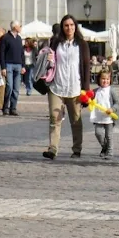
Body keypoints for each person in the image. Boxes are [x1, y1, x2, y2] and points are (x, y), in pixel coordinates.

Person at [42, 14, 91, 160]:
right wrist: (49, 60)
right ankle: (53, 149)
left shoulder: (81, 44)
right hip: (57, 85)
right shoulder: (56, 43)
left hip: (75, 88)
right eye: (66, 25)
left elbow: (86, 67)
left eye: (71, 25)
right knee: (54, 117)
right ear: (62, 28)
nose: (69, 28)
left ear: (75, 27)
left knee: (76, 120)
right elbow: (49, 62)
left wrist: (86, 89)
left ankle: (77, 149)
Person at [90, 70, 119, 159]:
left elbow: (117, 103)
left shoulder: (111, 90)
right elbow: (89, 100)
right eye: (103, 78)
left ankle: (109, 152)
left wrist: (112, 109)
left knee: (109, 136)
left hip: (109, 118)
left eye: (107, 79)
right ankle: (105, 147)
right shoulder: (95, 91)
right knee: (98, 133)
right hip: (98, 116)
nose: (105, 81)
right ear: (99, 79)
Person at [0, 20, 25, 116]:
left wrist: (23, 66)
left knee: (16, 89)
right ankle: (5, 107)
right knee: (9, 87)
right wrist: (3, 67)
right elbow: (1, 53)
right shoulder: (5, 38)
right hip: (8, 65)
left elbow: (22, 53)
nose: (21, 28)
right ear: (15, 27)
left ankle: (13, 108)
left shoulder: (19, 38)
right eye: (20, 26)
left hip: (18, 65)